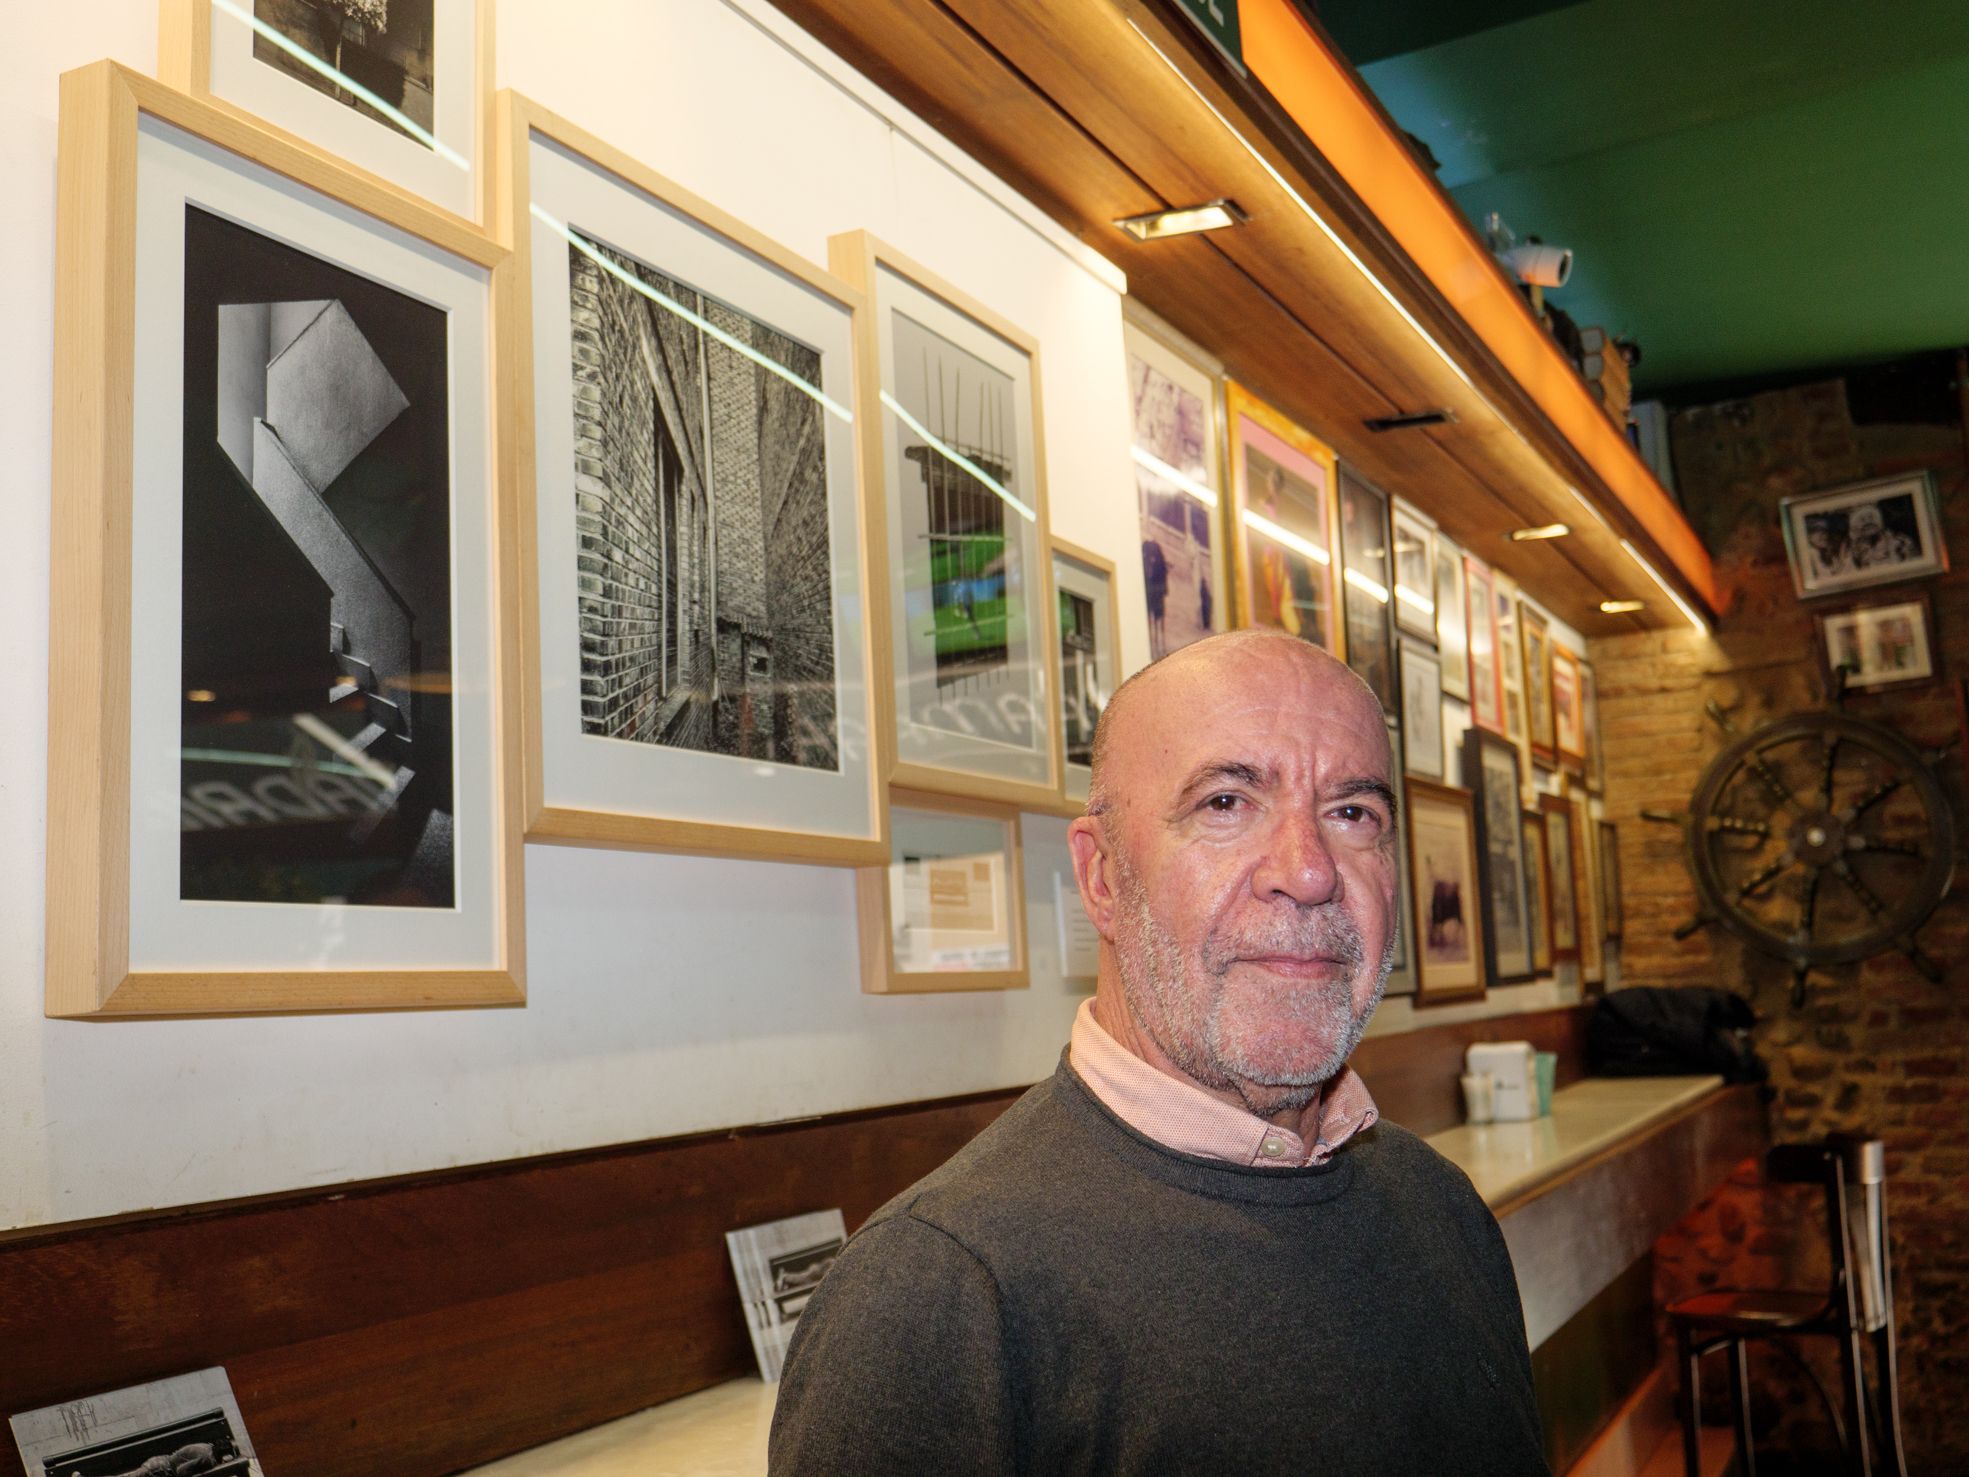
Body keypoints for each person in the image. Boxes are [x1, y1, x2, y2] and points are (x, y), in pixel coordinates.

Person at [770, 630, 1547, 1475]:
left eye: (1352, 812)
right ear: (1101, 876)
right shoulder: (935, 1294)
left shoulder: (1441, 1206)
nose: (1309, 870)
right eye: (1225, 803)